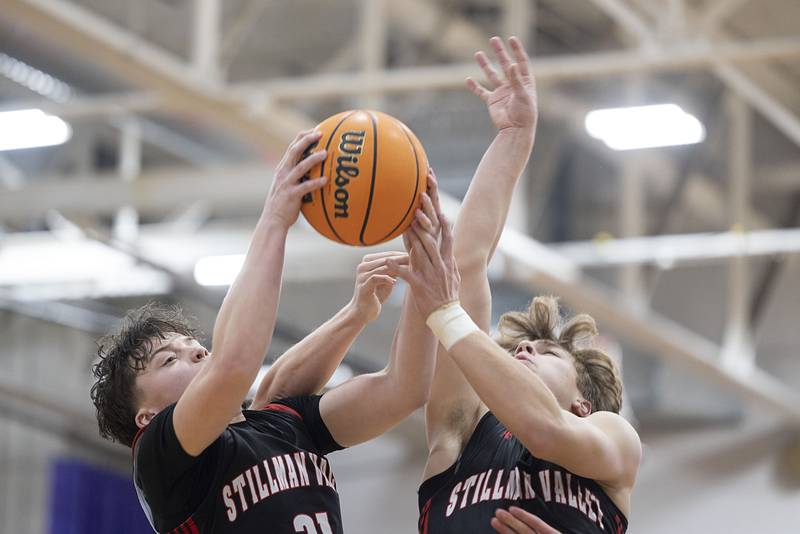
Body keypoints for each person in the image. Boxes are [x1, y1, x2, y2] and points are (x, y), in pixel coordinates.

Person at [89, 129, 440, 533]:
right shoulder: (160, 458)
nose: (199, 353)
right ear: (147, 416)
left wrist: (421, 267)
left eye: (194, 346)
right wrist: (275, 219)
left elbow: (405, 388)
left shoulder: (284, 424)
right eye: (170, 359)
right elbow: (235, 363)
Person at [387, 36, 642, 533]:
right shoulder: (460, 430)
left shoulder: (611, 438)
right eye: (521, 347)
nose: (523, 350)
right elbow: (467, 262)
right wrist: (514, 137)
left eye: (546, 352)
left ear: (583, 403)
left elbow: (546, 431)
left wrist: (446, 314)